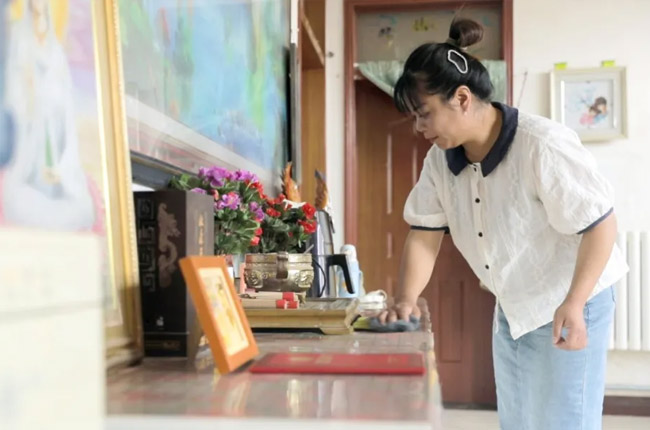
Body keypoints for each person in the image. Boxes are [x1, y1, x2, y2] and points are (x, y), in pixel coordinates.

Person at [380, 18, 627, 430]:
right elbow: (424, 233)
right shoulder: (440, 161)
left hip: (571, 297)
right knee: (518, 422)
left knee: (564, 422)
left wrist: (575, 302)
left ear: (462, 98)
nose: (419, 128)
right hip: (513, 304)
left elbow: (600, 225)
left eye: (424, 114)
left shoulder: (540, 144)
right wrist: (405, 298)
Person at [1, 0, 95, 229]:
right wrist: (30, 89)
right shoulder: (20, 41)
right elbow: (14, 89)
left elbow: (63, 91)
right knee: (19, 196)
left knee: (82, 207)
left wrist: (50, 94)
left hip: (53, 120)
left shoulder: (55, 50)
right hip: (29, 126)